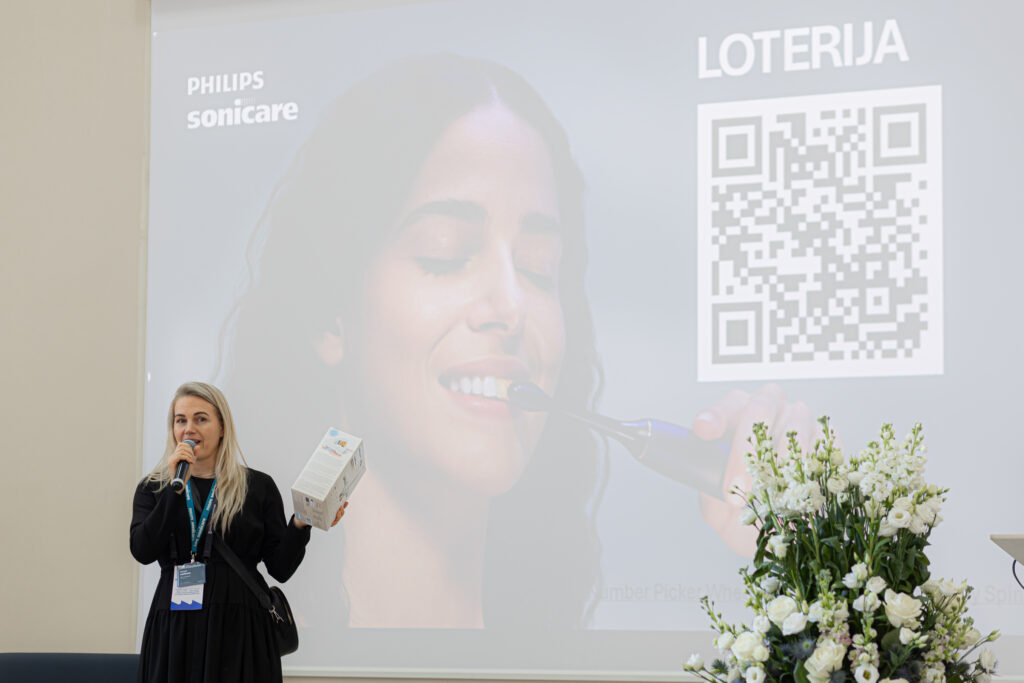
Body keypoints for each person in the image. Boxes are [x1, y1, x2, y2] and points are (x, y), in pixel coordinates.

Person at [219, 54, 818, 633]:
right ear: (330, 317)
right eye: (445, 252)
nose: (511, 306)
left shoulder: (566, 649)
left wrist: (812, 558)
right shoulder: (242, 639)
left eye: (538, 267)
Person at [129, 381, 344, 682]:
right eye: (181, 420)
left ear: (222, 428)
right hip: (175, 630)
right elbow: (142, 550)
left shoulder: (257, 487)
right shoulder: (154, 488)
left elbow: (280, 568)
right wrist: (174, 491)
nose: (189, 429)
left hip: (241, 632)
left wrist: (302, 522)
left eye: (201, 419)